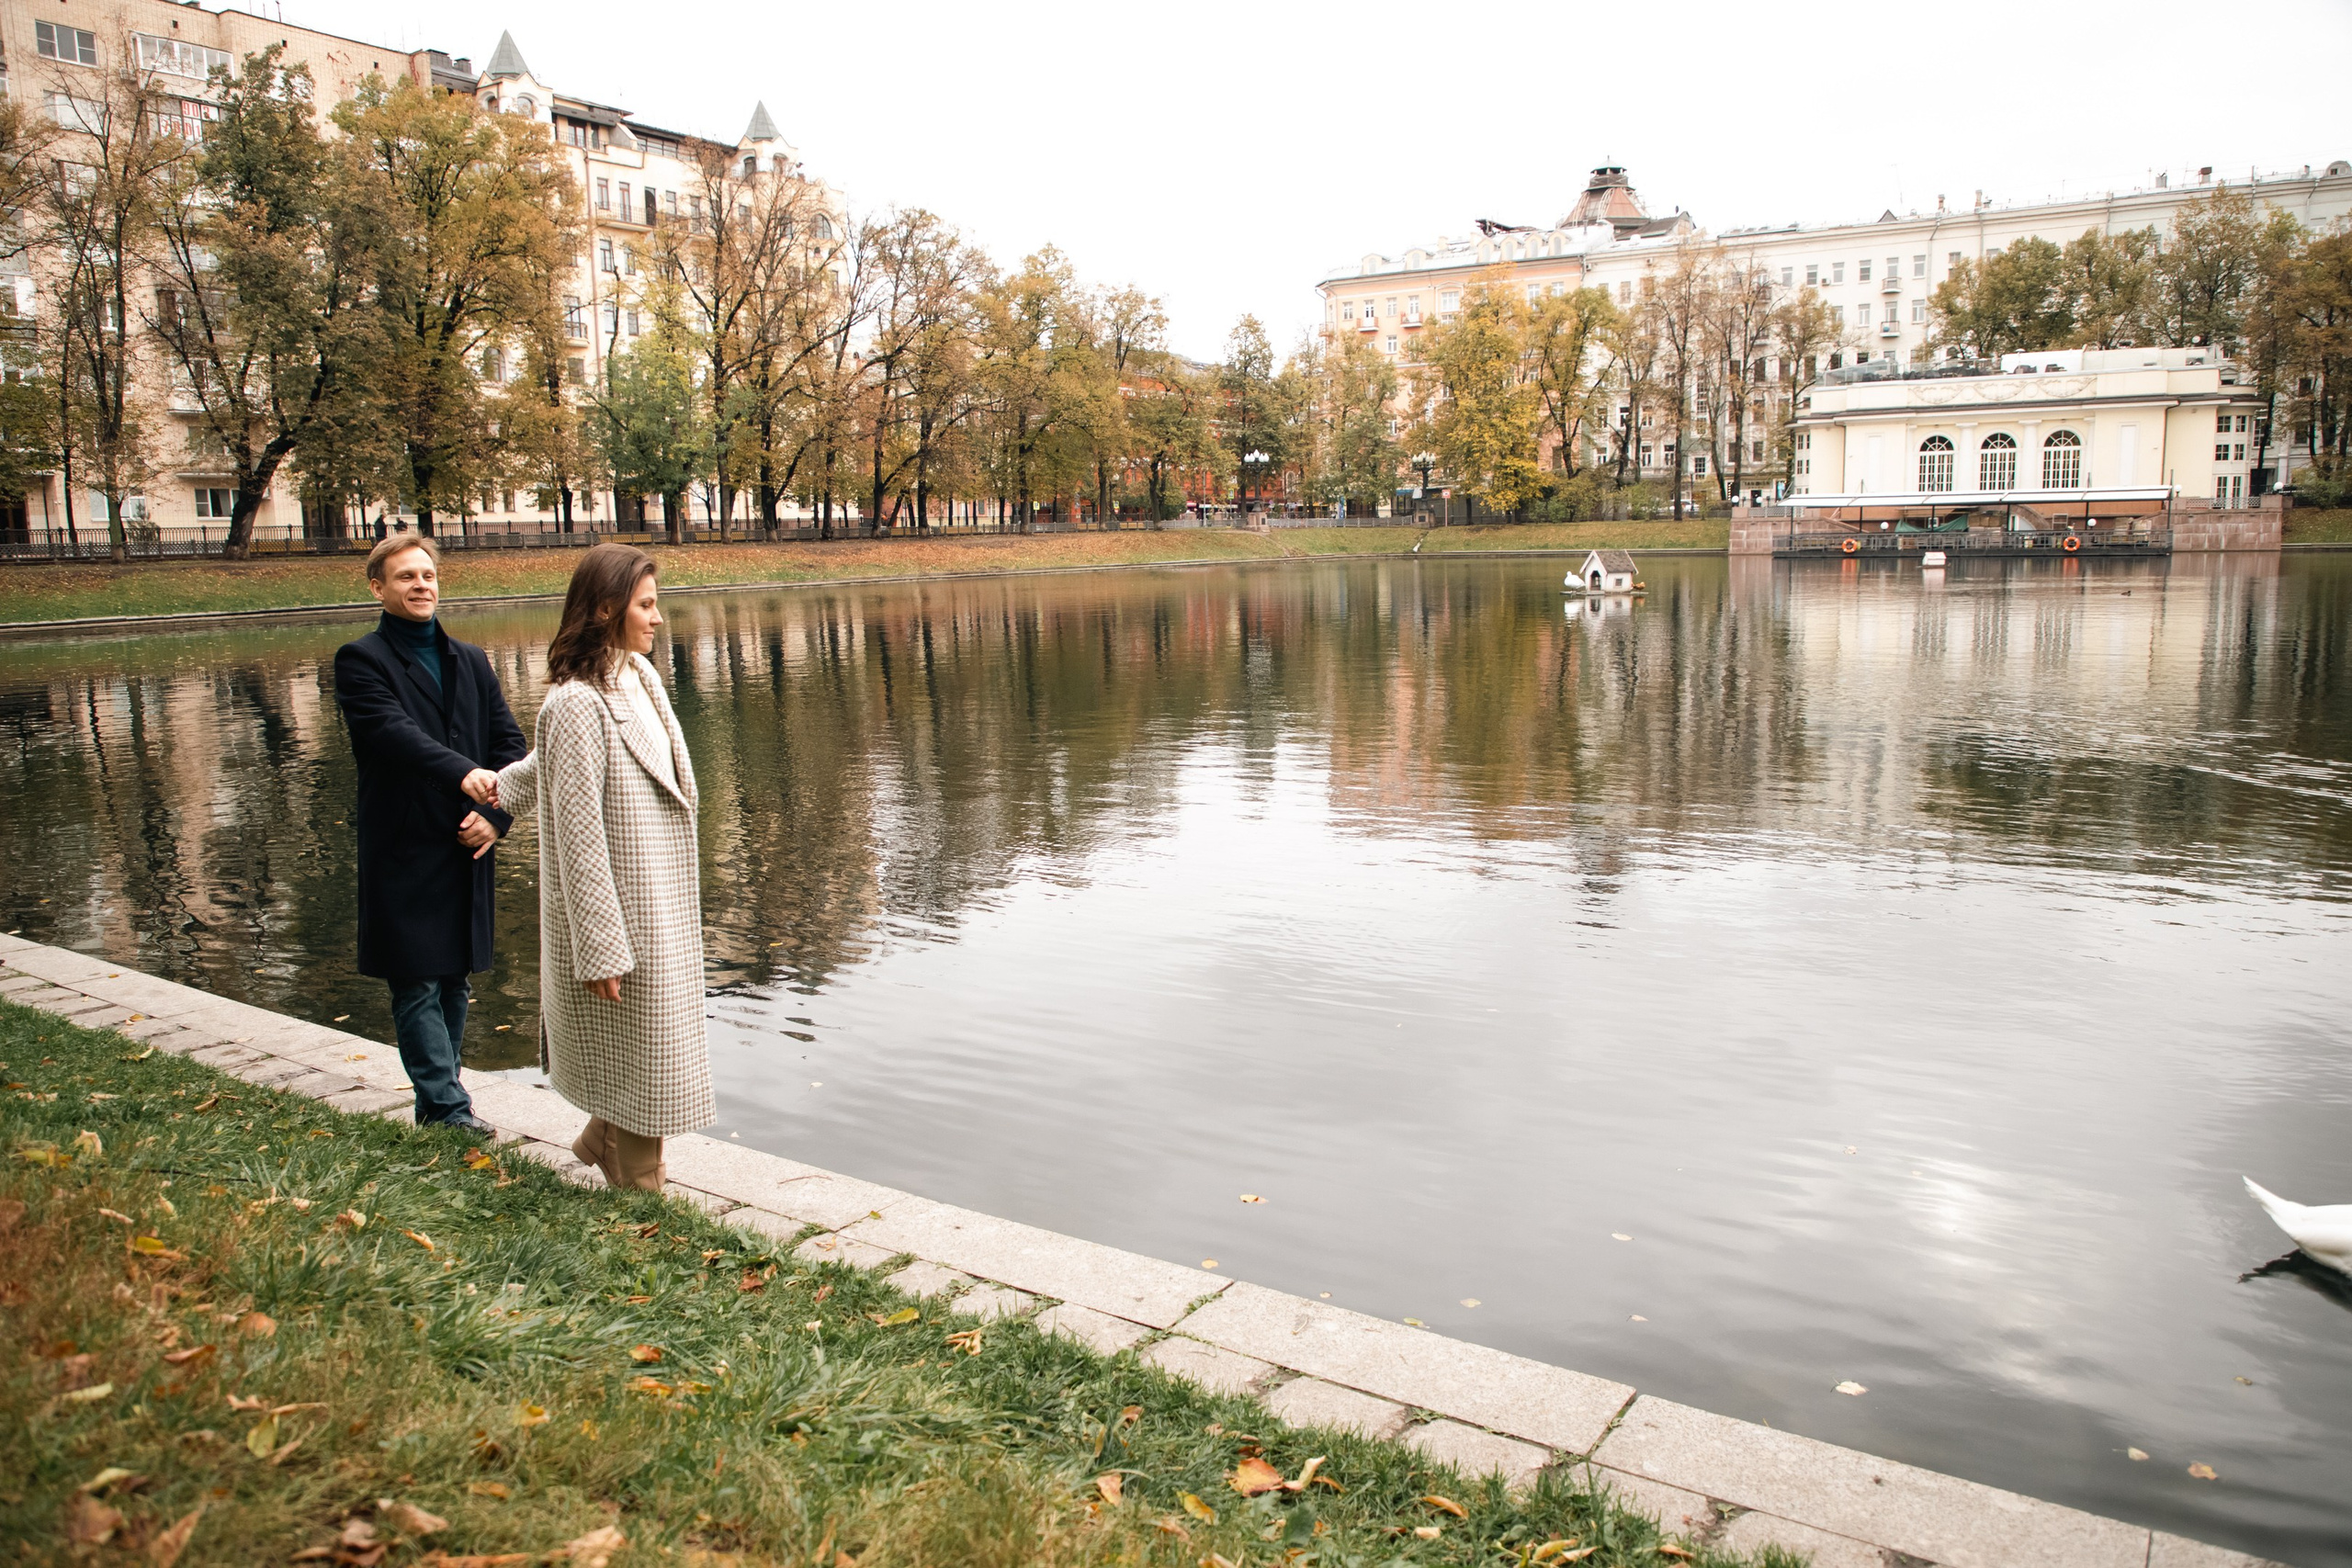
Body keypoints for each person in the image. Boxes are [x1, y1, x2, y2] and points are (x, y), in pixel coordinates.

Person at [474, 544, 712, 1190]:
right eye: (645, 605)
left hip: (660, 897)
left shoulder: (638, 677)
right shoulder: (576, 702)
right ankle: (643, 1194)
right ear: (606, 608)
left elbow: (545, 765)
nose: (658, 618)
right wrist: (600, 946)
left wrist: (501, 788)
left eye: (655, 604)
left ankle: (604, 1136)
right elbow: (579, 832)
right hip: (626, 913)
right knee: (647, 1052)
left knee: (652, 1048)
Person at [334, 533, 525, 1134]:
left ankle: (439, 1104)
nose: (420, 585)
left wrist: (496, 817)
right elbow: (392, 733)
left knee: (453, 982)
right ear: (377, 587)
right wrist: (465, 773)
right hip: (404, 847)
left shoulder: (470, 660)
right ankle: (447, 1110)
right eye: (405, 576)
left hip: (466, 844)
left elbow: (510, 748)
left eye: (427, 575)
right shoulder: (361, 660)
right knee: (415, 980)